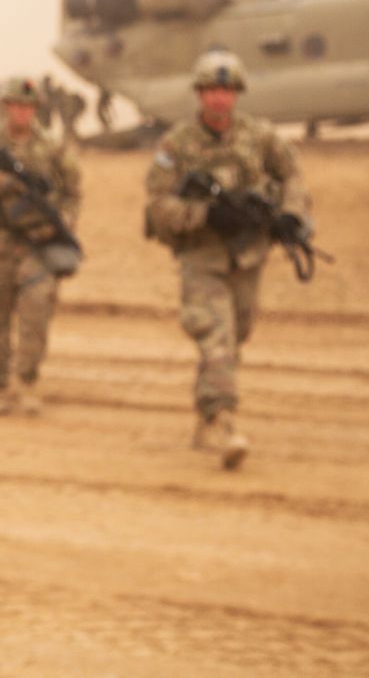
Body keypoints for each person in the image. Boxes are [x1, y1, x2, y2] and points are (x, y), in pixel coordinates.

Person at [144, 49, 311, 470]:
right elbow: (158, 207)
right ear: (200, 94)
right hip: (202, 257)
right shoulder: (177, 145)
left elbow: (293, 174)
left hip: (248, 257)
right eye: (211, 91)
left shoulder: (260, 137)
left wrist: (291, 215)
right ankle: (224, 420)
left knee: (235, 337)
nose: (219, 100)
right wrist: (205, 214)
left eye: (226, 91)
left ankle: (205, 416)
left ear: (236, 95)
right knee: (216, 339)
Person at [0, 77, 81, 416]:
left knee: (36, 314)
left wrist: (64, 221)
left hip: (36, 248)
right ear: (5, 108)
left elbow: (73, 192)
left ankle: (26, 382)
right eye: (16, 105)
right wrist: (2, 186)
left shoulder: (54, 148)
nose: (22, 112)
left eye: (28, 107)